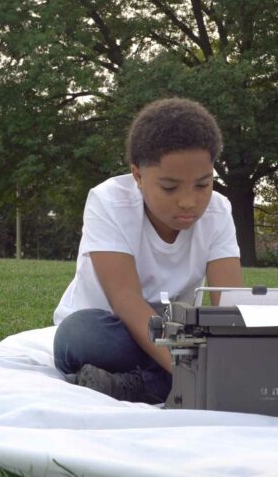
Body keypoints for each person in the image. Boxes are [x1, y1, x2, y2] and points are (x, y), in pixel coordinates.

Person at [52, 98, 242, 403]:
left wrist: (235, 355)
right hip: (112, 328)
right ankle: (180, 381)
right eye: (170, 187)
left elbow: (231, 305)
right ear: (138, 176)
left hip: (179, 334)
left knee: (240, 342)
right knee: (80, 335)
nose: (188, 201)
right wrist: (196, 369)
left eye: (203, 185)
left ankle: (138, 385)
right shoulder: (108, 202)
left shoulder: (218, 211)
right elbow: (125, 299)